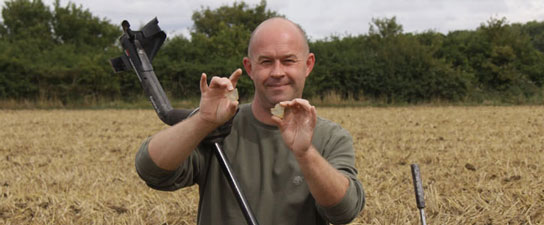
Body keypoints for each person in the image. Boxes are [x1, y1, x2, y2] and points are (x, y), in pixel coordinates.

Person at [135, 17, 365, 225]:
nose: (277, 72)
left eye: (288, 60)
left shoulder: (331, 137)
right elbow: (151, 170)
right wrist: (202, 121)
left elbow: (344, 211)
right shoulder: (219, 129)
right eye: (266, 61)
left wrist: (305, 154)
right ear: (249, 67)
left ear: (308, 65)